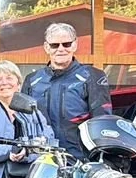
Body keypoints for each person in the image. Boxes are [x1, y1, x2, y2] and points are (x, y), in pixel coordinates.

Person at [22, 23, 111, 158]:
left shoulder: (92, 76)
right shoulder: (32, 80)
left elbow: (102, 121)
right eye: (55, 45)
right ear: (46, 47)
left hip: (80, 158)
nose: (61, 49)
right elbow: (23, 120)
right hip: (42, 158)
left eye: (66, 44)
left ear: (75, 45)